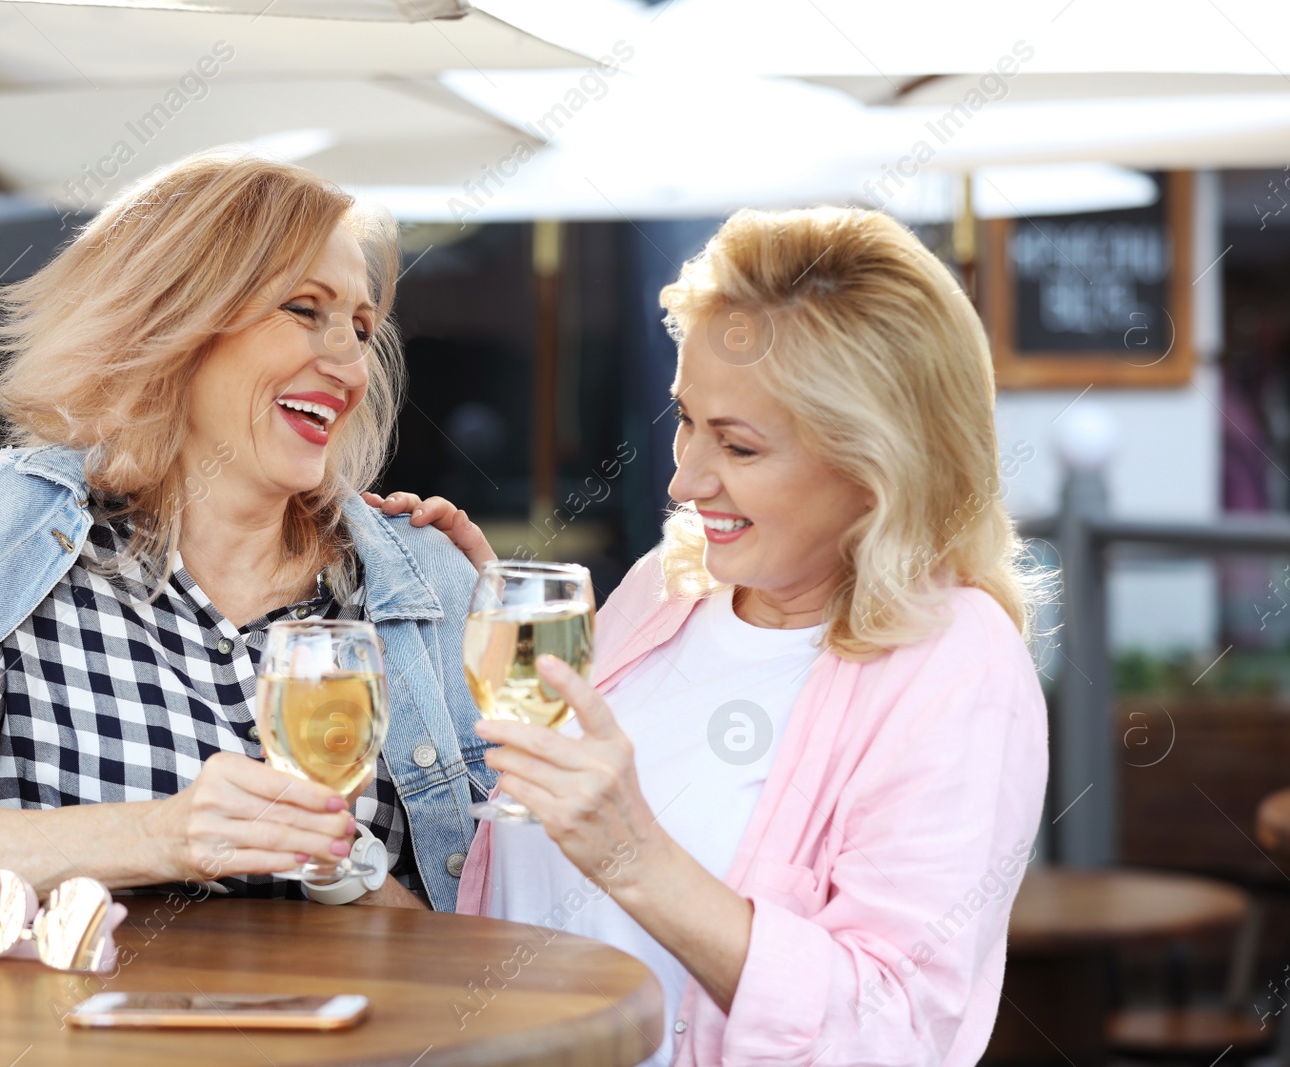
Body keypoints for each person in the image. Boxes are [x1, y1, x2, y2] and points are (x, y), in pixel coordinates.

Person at [373, 206, 1051, 1065]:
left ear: (879, 464)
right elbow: (545, 829)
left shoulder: (958, 666)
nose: (685, 478)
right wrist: (487, 610)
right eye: (687, 417)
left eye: (738, 445)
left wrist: (638, 856)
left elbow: (894, 1033)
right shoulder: (678, 578)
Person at [0, 151, 492, 915]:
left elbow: (514, 910)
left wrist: (492, 639)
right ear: (176, 319)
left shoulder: (421, 583)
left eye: (361, 328)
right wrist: (160, 836)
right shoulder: (27, 535)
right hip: (67, 1036)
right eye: (305, 309)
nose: (349, 364)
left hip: (370, 1034)